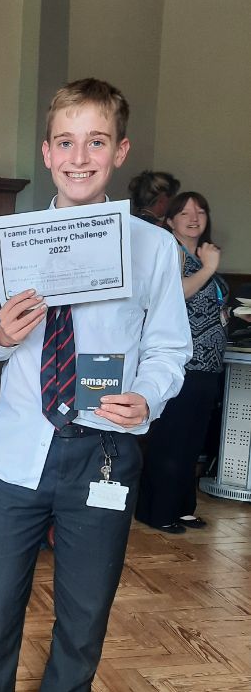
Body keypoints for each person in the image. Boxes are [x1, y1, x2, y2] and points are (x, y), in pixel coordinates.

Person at [0, 78, 191, 692]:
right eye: (67, 141)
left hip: (105, 453)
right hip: (21, 450)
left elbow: (169, 348)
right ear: (47, 153)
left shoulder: (152, 249)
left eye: (97, 141)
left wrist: (149, 397)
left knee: (84, 609)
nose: (81, 156)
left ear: (120, 151)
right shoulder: (8, 241)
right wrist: (2, 336)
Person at [136, 192, 227, 533]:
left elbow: (207, 305)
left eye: (200, 211)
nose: (193, 217)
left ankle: (183, 506)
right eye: (184, 212)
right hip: (180, 362)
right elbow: (175, 295)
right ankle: (156, 510)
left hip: (208, 362)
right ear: (170, 220)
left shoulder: (204, 252)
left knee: (192, 440)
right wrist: (209, 268)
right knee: (170, 438)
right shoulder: (169, 249)